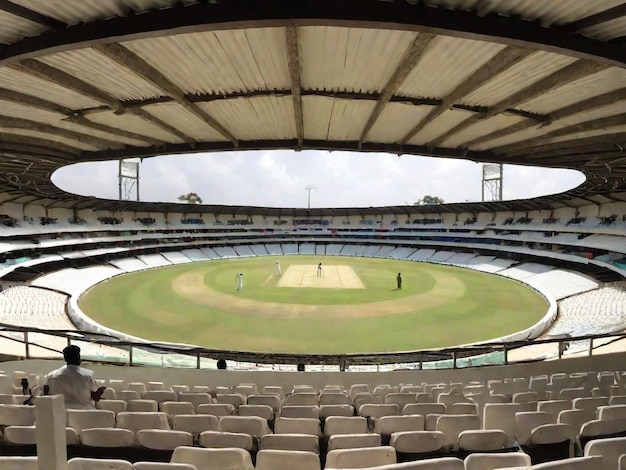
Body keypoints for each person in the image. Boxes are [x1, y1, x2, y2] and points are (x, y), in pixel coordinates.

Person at [43, 345, 106, 409]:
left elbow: (46, 395)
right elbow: (94, 396)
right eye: (77, 355)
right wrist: (100, 392)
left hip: (61, 413)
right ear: (78, 357)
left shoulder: (51, 376)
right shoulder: (88, 375)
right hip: (86, 412)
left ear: (65, 358)